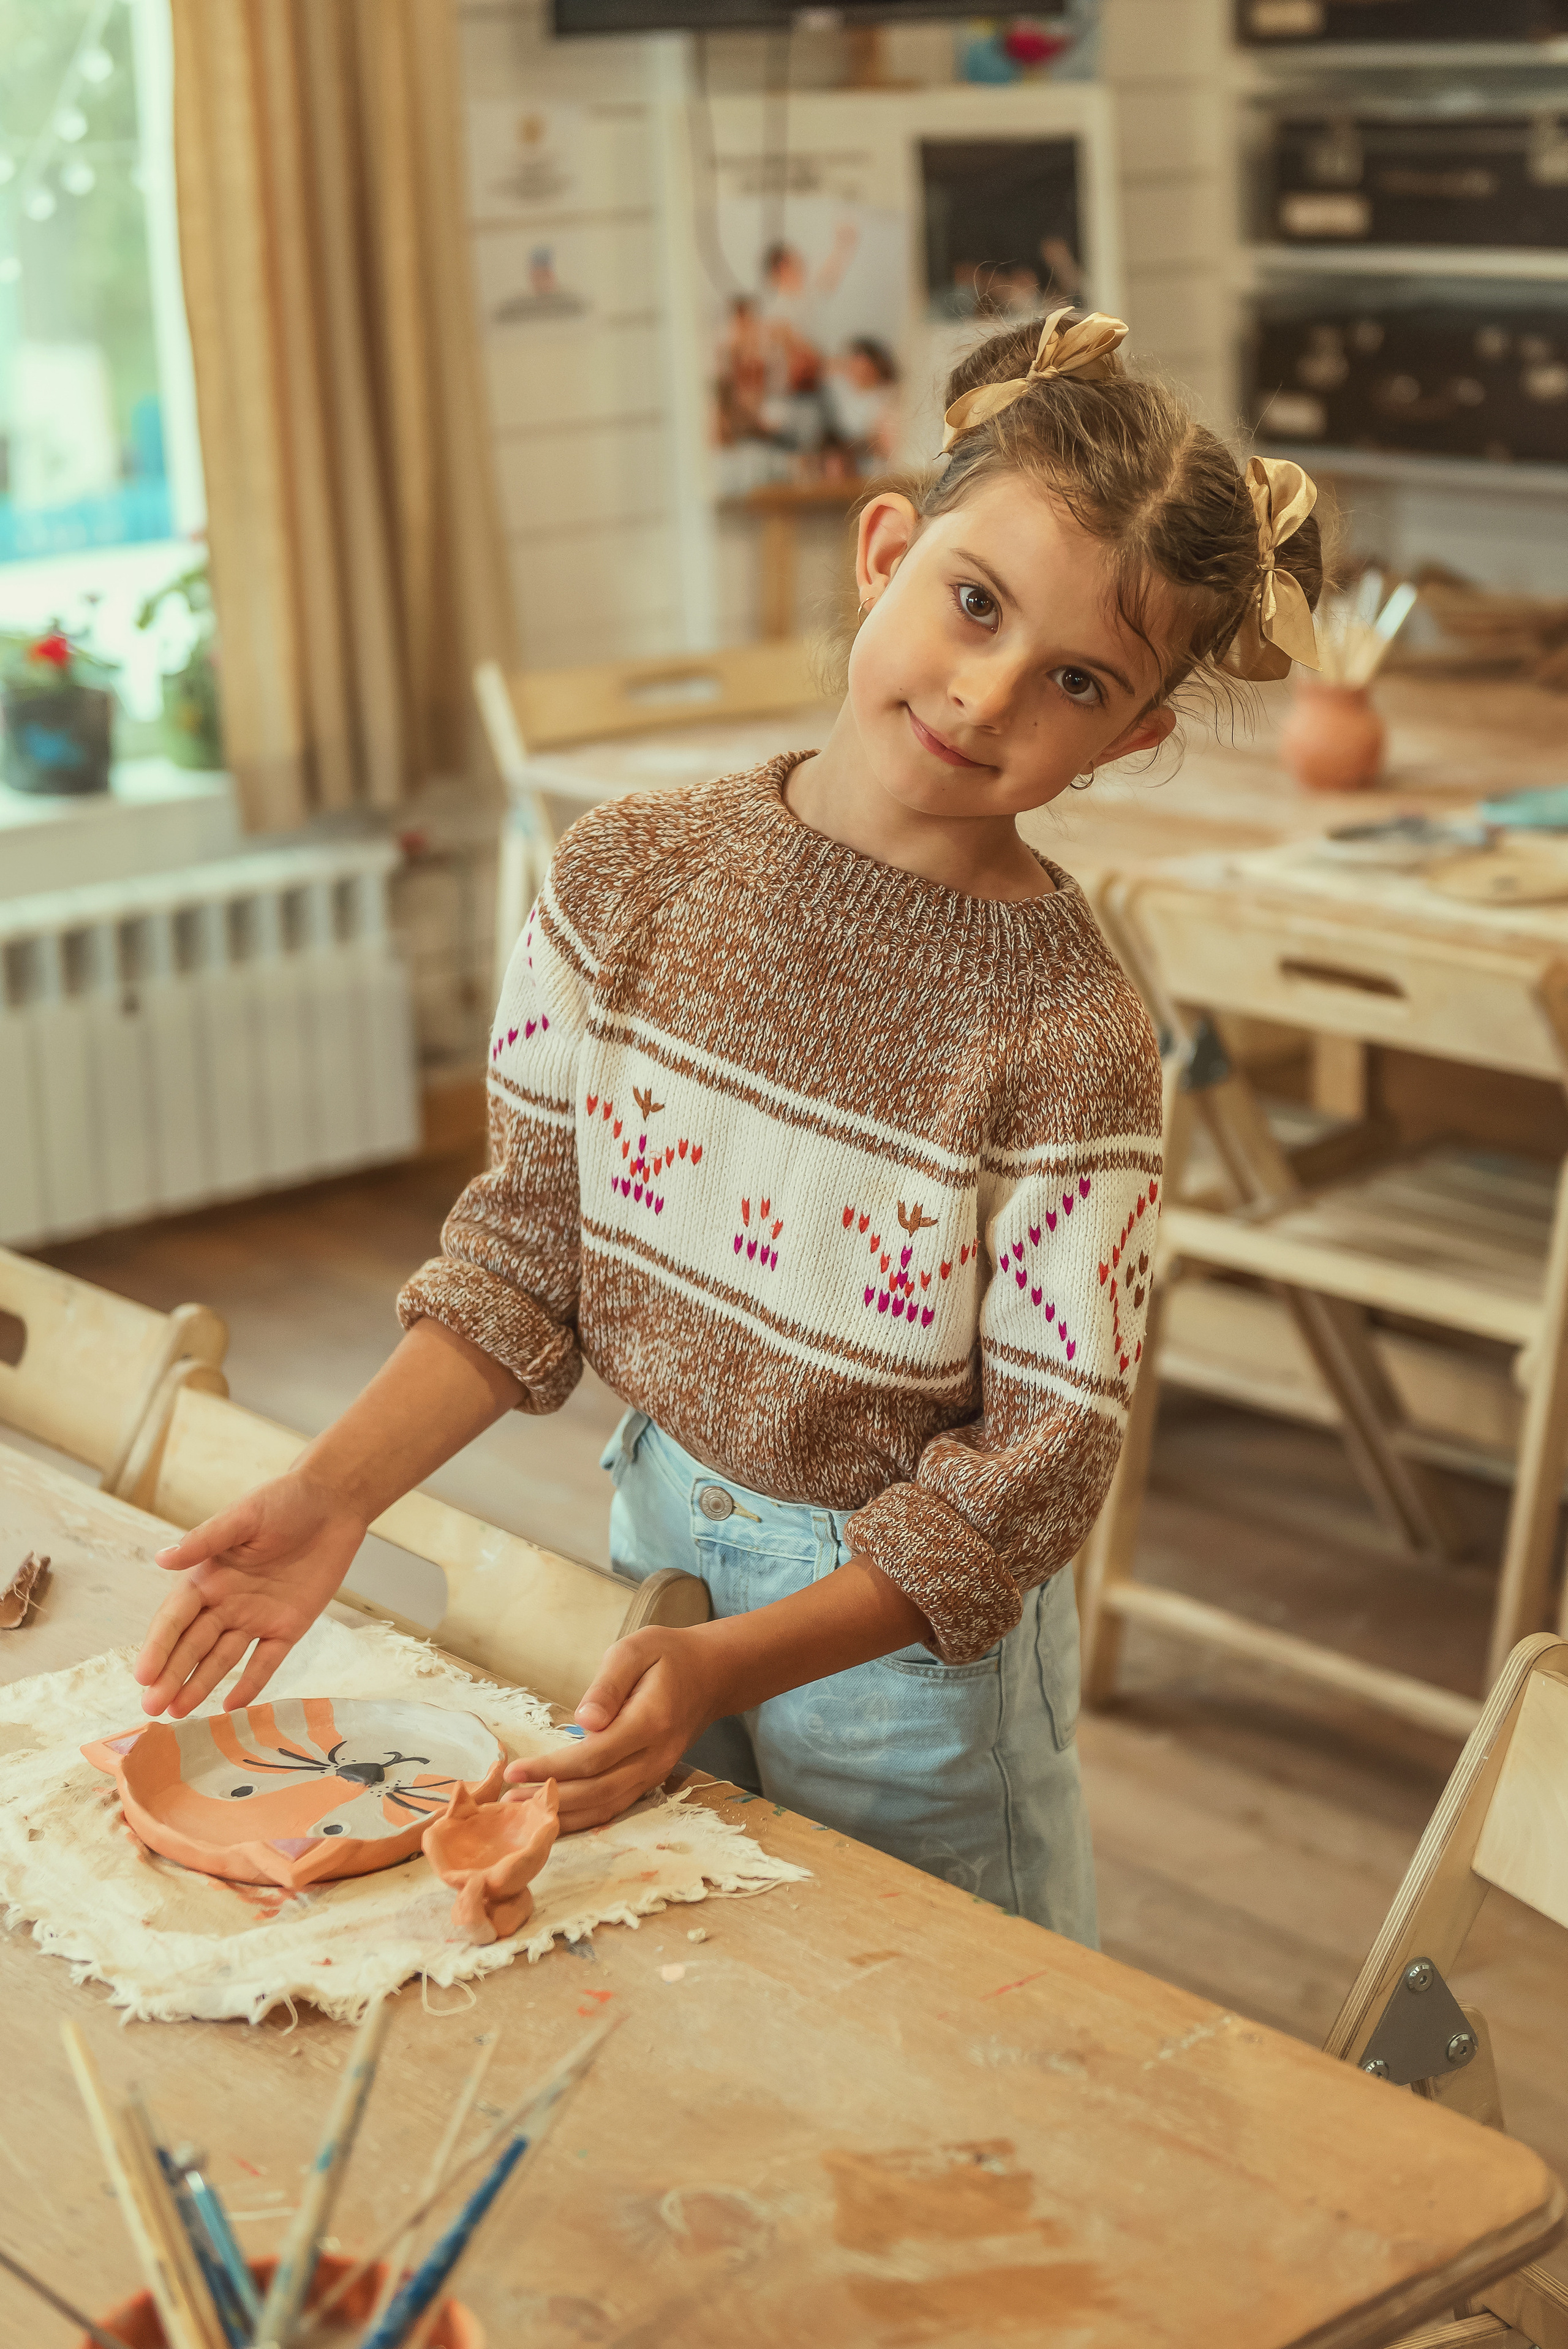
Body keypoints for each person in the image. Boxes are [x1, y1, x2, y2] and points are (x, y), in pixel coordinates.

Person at [134, 308, 1323, 1946]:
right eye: (972, 603)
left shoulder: (1071, 1038)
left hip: (913, 1662)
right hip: (655, 1541)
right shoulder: (627, 874)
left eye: (1071, 680)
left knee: (943, 2035)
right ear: (885, 551)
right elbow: (525, 1254)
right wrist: (334, 1492)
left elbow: (1033, 1476)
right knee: (714, 1979)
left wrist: (735, 1661)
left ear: (1130, 736)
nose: (984, 693)